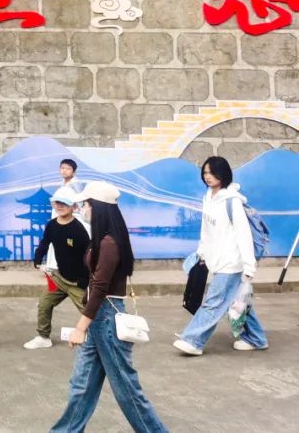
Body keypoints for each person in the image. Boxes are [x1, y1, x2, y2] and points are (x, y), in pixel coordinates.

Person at [51, 182, 167, 433]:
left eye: (86, 204)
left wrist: (80, 327)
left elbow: (100, 288)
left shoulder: (109, 243)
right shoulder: (101, 239)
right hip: (98, 318)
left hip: (106, 318)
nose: (83, 209)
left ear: (98, 207)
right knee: (81, 387)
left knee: (127, 391)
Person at [174, 156, 268, 355]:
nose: (207, 176)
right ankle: (257, 339)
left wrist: (249, 267)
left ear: (223, 174)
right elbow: (206, 230)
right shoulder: (208, 197)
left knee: (214, 302)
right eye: (205, 172)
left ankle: (193, 340)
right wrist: (201, 252)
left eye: (212, 172)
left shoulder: (232, 201)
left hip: (232, 262)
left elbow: (243, 235)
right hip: (217, 260)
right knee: (236, 302)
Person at [26, 187, 90, 349]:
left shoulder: (79, 230)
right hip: (59, 277)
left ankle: (100, 340)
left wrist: (85, 280)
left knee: (89, 312)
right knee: (44, 303)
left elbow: (88, 258)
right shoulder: (51, 225)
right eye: (57, 202)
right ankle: (43, 337)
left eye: (64, 203)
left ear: (73, 206)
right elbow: (44, 243)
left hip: (78, 282)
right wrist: (38, 258)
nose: (60, 206)